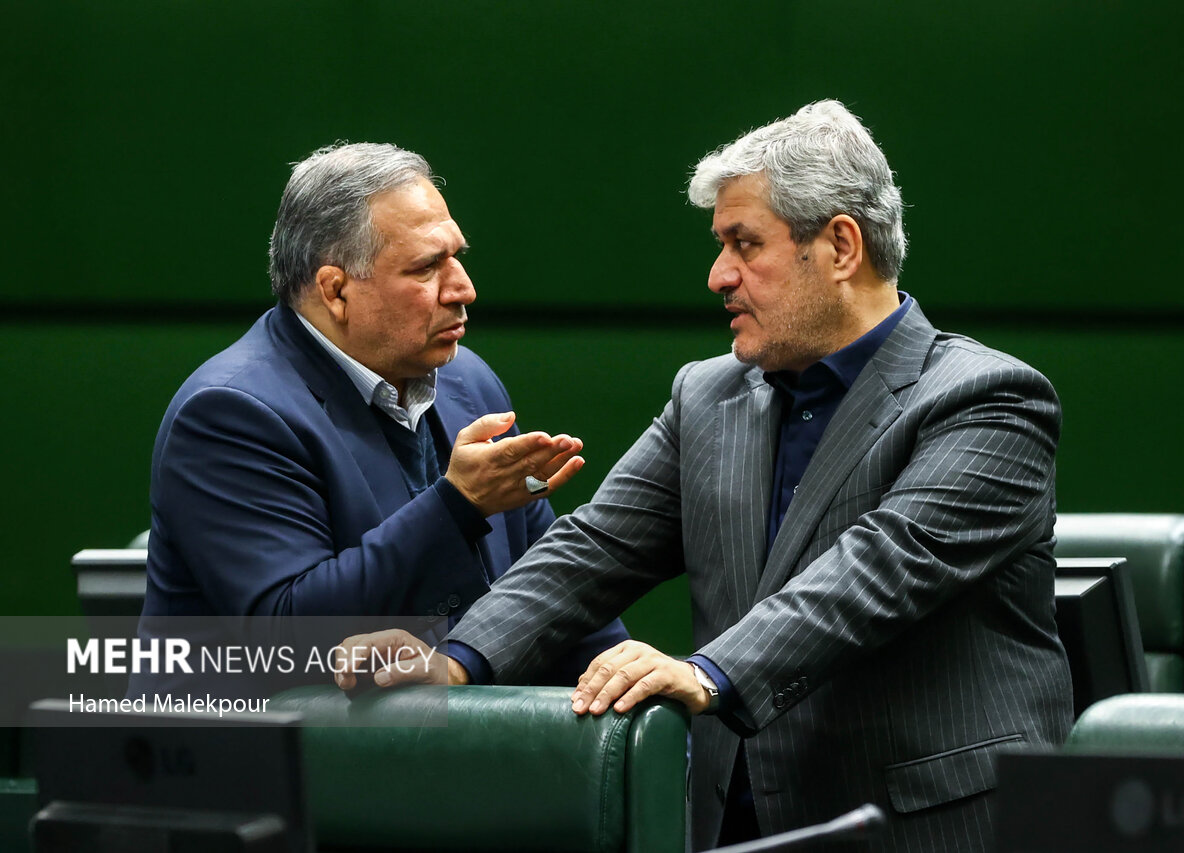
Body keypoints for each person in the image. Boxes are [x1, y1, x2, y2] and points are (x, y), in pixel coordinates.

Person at [337, 103, 1073, 852]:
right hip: (736, 827)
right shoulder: (708, 394)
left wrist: (709, 673)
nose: (719, 275)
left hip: (931, 829)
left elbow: (875, 570)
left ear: (841, 246)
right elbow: (595, 549)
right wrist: (455, 661)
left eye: (744, 244)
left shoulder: (988, 399)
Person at [130, 142, 626, 700]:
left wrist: (624, 685)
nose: (463, 289)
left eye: (457, 257)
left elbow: (544, 583)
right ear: (336, 291)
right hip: (258, 746)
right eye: (426, 267)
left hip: (445, 735)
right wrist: (459, 506)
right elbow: (290, 636)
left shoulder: (467, 381)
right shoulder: (231, 412)